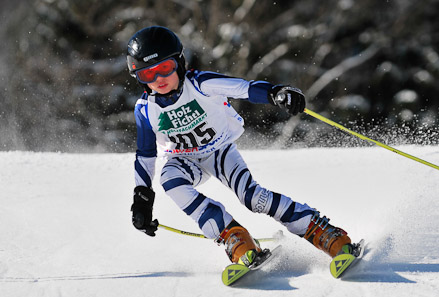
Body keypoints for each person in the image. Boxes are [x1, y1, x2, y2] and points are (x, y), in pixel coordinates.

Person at [127, 26, 353, 267]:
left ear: (179, 63)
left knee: (253, 198)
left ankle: (321, 231)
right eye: (147, 75)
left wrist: (276, 93)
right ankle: (233, 237)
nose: (158, 79)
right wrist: (142, 198)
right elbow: (146, 155)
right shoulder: (144, 109)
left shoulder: (201, 84)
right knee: (169, 180)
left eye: (164, 68)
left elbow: (244, 88)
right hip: (183, 159)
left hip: (218, 151)